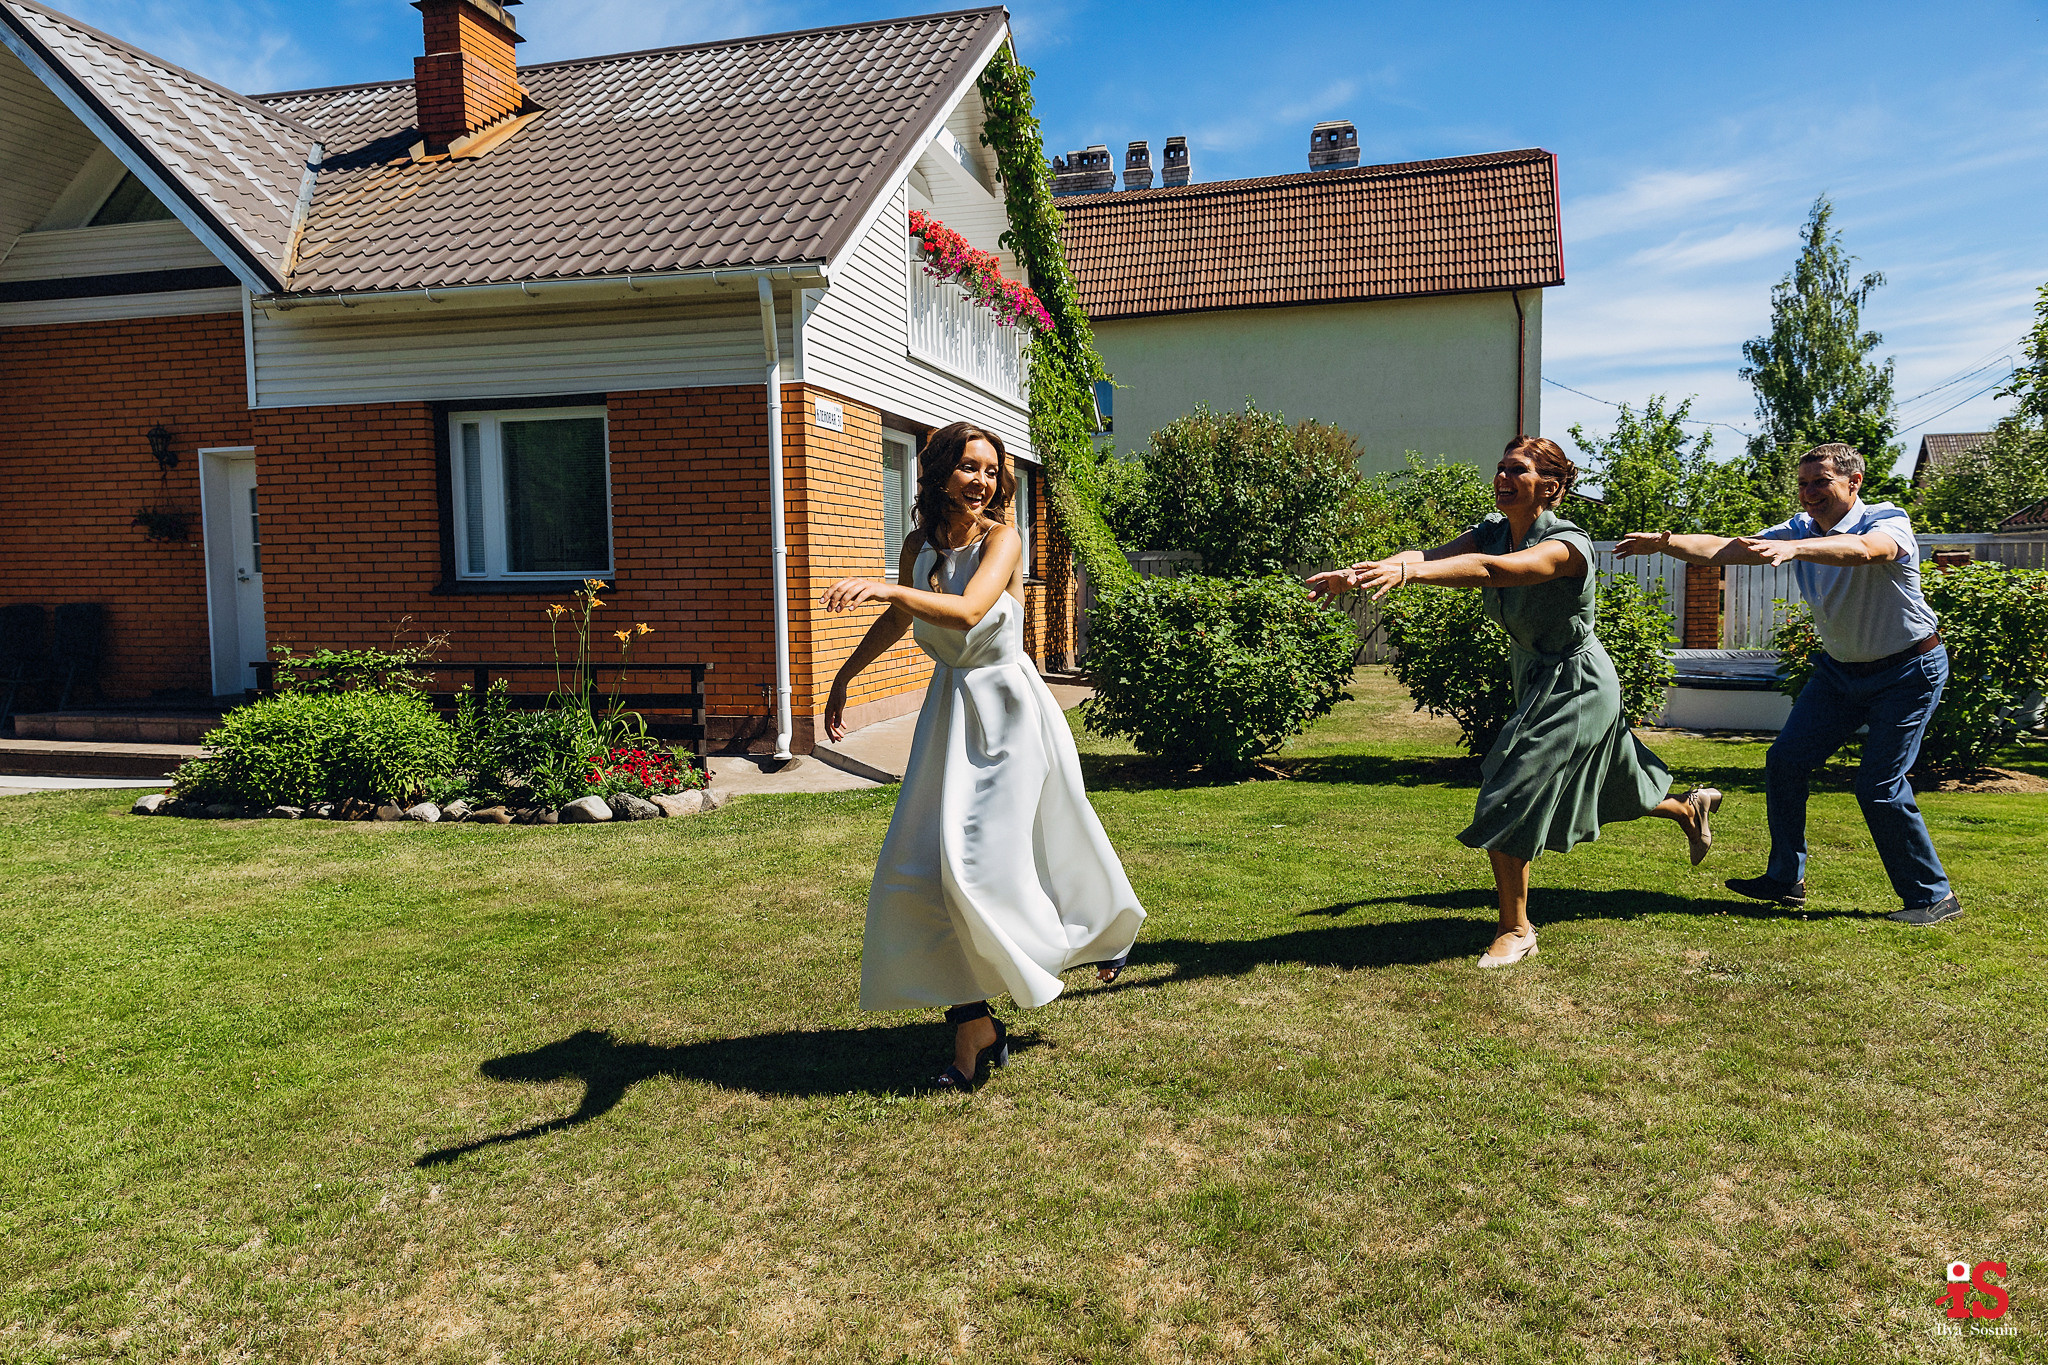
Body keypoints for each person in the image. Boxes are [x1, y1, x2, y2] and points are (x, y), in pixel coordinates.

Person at [1309, 436, 1722, 968]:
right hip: (1532, 670)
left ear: (1548, 487)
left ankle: (1516, 928)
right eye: (1500, 468)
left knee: (1509, 786)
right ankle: (1691, 809)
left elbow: (1494, 570)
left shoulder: (1568, 545)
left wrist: (1409, 574)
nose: (1502, 477)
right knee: (1618, 784)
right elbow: (1430, 555)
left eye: (1517, 470)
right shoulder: (1494, 530)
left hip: (1576, 679)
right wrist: (1368, 570)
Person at [821, 421, 1146, 1089]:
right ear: (939, 470)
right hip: (950, 714)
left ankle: (1098, 930)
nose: (984, 481)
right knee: (917, 872)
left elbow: (967, 611)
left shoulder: (1004, 539)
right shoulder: (918, 544)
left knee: (984, 867)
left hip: (1007, 717)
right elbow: (903, 618)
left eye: (992, 470)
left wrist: (885, 587)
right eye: (970, 467)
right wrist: (845, 675)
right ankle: (975, 1024)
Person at [1615, 442, 1959, 925]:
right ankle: (1785, 879)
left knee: (1878, 785)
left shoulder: (1885, 519)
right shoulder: (1798, 529)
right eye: (1803, 484)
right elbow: (1724, 548)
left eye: (1821, 482)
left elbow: (1867, 551)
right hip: (1840, 672)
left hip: (1907, 670)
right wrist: (1665, 542)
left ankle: (1933, 896)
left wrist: (1795, 548)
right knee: (1786, 762)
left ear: (1852, 483)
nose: (1809, 493)